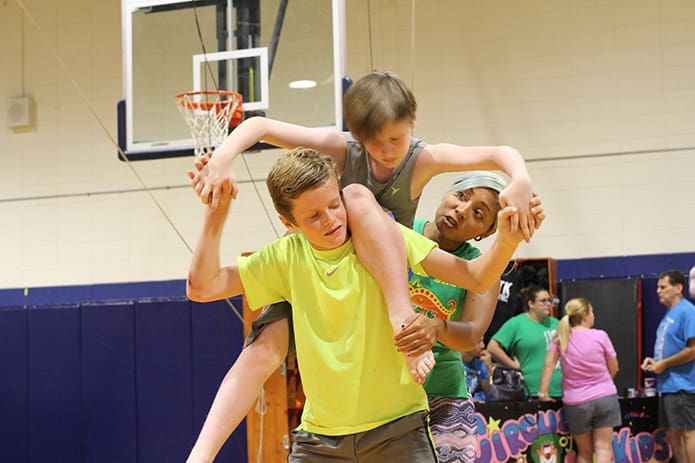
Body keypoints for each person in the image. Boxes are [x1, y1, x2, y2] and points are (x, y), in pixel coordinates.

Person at [185, 70, 539, 461]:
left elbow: (498, 157)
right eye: (374, 142)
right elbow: (259, 125)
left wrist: (519, 180)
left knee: (356, 193)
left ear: (413, 121)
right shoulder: (341, 153)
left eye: (396, 139)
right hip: (319, 268)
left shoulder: (422, 162)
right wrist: (222, 160)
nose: (387, 151)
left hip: (385, 269)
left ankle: (398, 313)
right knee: (262, 351)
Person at [391, 171, 543, 462]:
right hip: (385, 387)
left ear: (485, 233)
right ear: (446, 194)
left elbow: (473, 333)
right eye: (460, 196)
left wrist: (438, 327)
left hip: (442, 393)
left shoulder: (481, 265)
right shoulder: (400, 232)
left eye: (478, 213)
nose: (460, 211)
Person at [538, 298, 620, 463]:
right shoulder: (600, 336)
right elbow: (614, 367)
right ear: (585, 316)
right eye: (592, 311)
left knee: (584, 452)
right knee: (604, 448)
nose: (593, 315)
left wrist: (543, 392)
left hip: (576, 401)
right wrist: (604, 383)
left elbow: (548, 366)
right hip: (605, 397)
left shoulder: (560, 337)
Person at [641, 269, 695, 463]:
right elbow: (674, 348)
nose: (658, 291)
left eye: (663, 287)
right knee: (674, 434)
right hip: (669, 385)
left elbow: (693, 350)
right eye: (657, 287)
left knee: (688, 433)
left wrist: (664, 363)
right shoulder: (670, 314)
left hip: (684, 385)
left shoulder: (688, 311)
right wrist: (656, 362)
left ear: (678, 288)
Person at [487, 285, 563, 398]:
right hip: (530, 390)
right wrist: (512, 365)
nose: (548, 304)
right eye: (543, 301)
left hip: (561, 390)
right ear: (531, 304)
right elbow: (492, 347)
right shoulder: (517, 323)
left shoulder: (556, 324)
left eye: (550, 300)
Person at [462, 338, 493, 402]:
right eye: (478, 342)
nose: (483, 345)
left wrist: (489, 368)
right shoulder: (457, 363)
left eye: (482, 341)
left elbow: (487, 392)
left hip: (477, 405)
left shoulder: (480, 362)